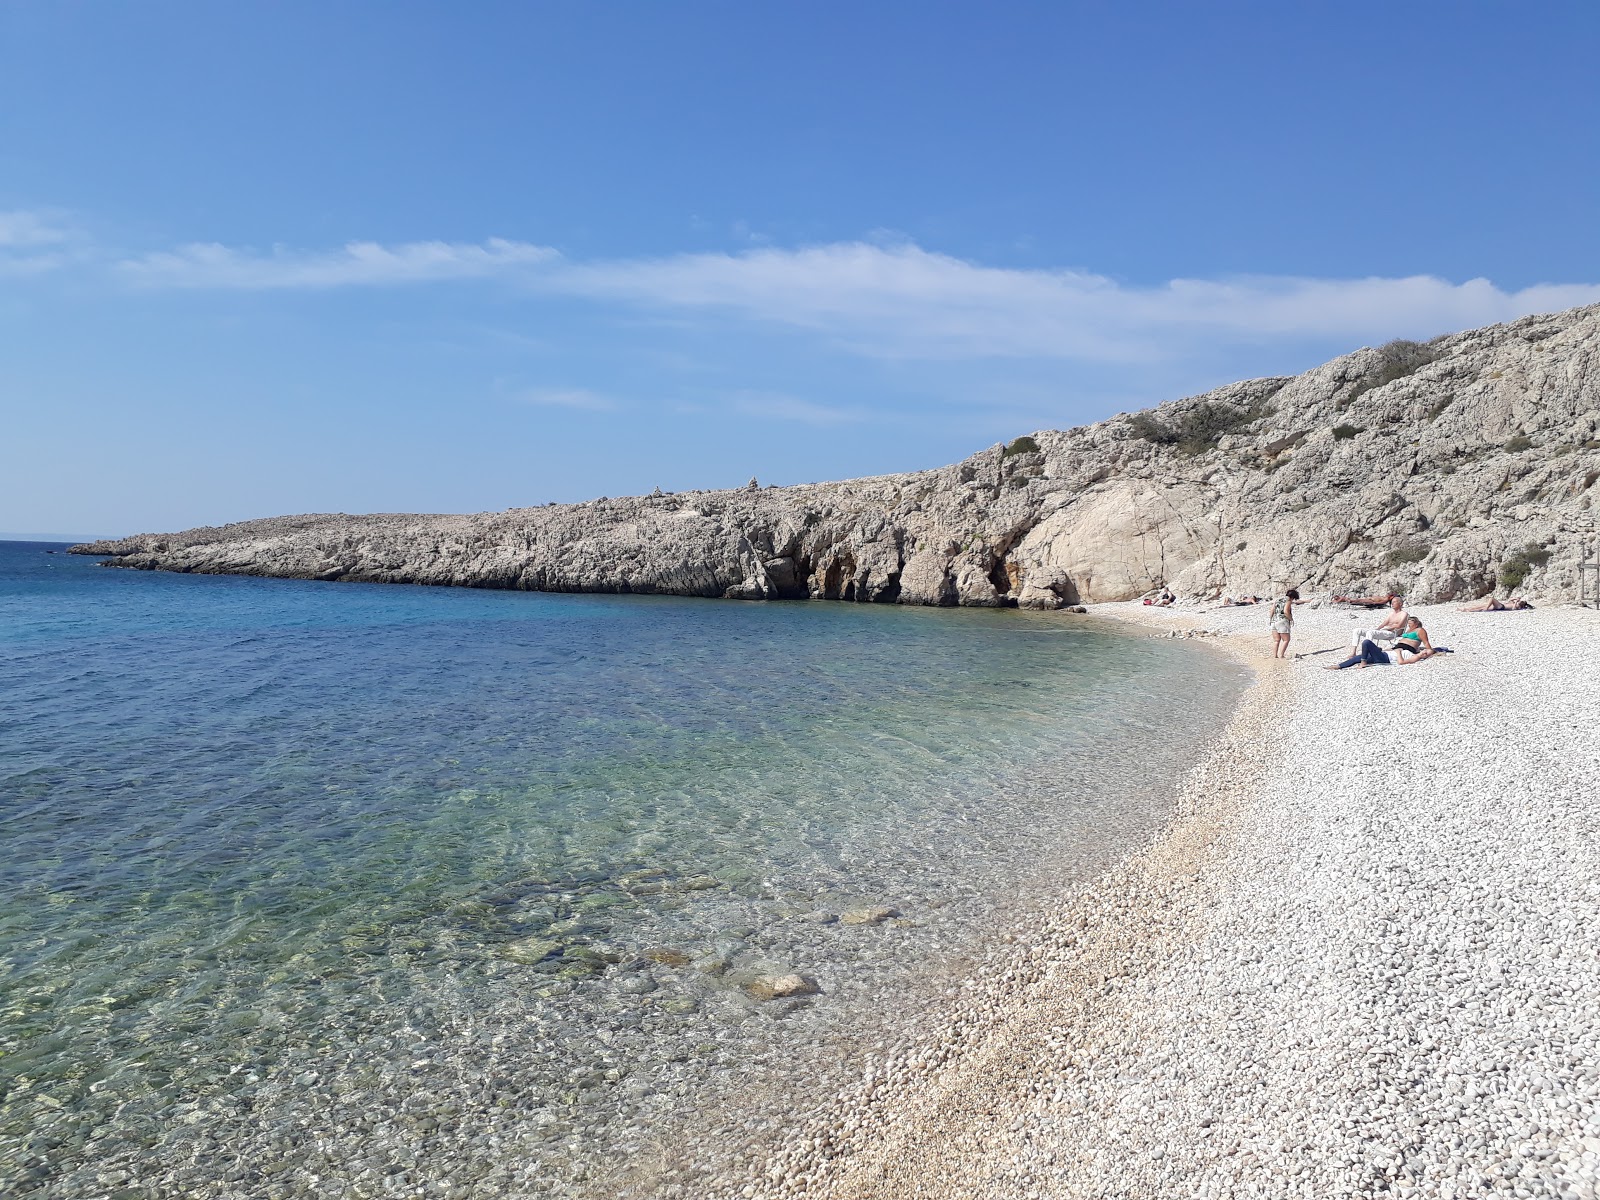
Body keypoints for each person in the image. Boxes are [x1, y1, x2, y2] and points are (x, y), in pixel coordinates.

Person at [1268, 588, 1298, 659]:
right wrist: (1291, 619)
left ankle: (1274, 656)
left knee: (1276, 640)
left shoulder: (1277, 600)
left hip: (1274, 621)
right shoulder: (1288, 601)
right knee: (1286, 640)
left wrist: (1270, 619)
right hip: (1282, 621)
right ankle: (1281, 655)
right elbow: (1286, 611)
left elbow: (1272, 610)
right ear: (1293, 597)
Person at [1458, 595, 1534, 612]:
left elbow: (1513, 609)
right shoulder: (1515, 602)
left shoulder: (1518, 606)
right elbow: (1510, 599)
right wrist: (1515, 599)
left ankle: (1486, 608)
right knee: (1481, 606)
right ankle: (1466, 609)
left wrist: (1516, 602)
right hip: (1500, 606)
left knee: (1492, 599)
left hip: (1502, 607)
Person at [1333, 590, 1398, 608]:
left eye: (1390, 593)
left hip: (1371, 601)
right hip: (1371, 599)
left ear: (1391, 596)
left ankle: (1345, 600)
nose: (1388, 593)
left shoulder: (1386, 599)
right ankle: (1344, 599)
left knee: (1359, 600)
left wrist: (1373, 603)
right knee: (1358, 600)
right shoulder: (1386, 597)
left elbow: (1381, 603)